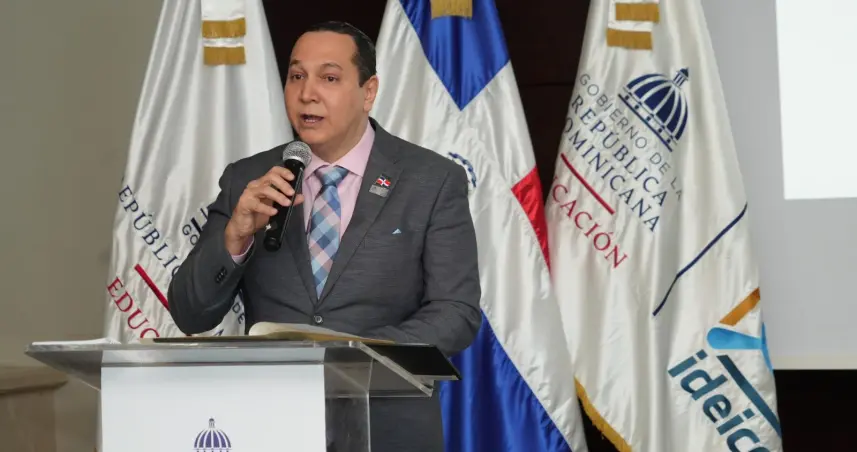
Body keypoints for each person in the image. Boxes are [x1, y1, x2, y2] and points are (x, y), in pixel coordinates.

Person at [167, 21, 482, 451]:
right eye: (296, 76)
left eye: (329, 78)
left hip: (387, 426)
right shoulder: (249, 178)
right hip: (271, 426)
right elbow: (190, 313)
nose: (307, 93)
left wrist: (358, 355)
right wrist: (236, 235)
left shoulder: (432, 180)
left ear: (368, 91)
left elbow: (455, 311)